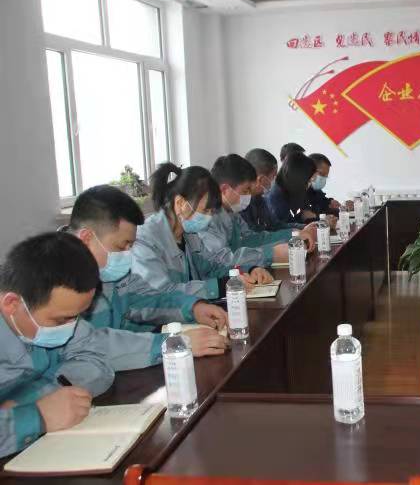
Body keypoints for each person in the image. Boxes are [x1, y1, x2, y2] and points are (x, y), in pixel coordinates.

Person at [67, 185, 228, 370]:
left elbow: (148, 298)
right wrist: (172, 344)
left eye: (131, 246)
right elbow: (89, 344)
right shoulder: (55, 281)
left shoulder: (110, 270)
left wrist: (193, 308)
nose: (128, 254)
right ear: (87, 238)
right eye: (122, 246)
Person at [0, 233, 114, 457]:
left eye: (77, 317)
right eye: (61, 320)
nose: (71, 327)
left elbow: (96, 362)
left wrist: (35, 397)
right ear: (12, 304)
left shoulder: (58, 311)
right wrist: (38, 417)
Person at [132, 163, 262, 299]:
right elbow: (161, 294)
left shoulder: (190, 235)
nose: (209, 218)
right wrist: (220, 286)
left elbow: (212, 267)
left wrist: (248, 271)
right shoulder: (145, 240)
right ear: (180, 203)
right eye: (205, 211)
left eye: (211, 212)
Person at [200, 154, 316, 273]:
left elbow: (251, 239)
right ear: (225, 190)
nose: (248, 196)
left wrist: (293, 235)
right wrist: (271, 253)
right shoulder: (207, 218)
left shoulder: (232, 212)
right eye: (245, 191)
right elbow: (223, 261)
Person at [265, 152, 320, 227]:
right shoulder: (275, 197)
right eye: (309, 181)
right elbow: (284, 227)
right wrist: (319, 223)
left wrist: (317, 218)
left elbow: (305, 211)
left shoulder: (293, 189)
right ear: (299, 179)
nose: (309, 185)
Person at [241, 148, 279, 232]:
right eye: (273, 176)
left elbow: (274, 226)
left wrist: (300, 229)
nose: (274, 180)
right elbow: (256, 236)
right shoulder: (240, 204)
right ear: (261, 179)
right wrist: (294, 233)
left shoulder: (259, 198)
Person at [306, 153, 343, 217]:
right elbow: (304, 216)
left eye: (326, 176)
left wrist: (330, 202)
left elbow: (321, 201)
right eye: (321, 174)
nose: (323, 179)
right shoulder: (298, 190)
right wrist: (321, 219)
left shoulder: (314, 189)